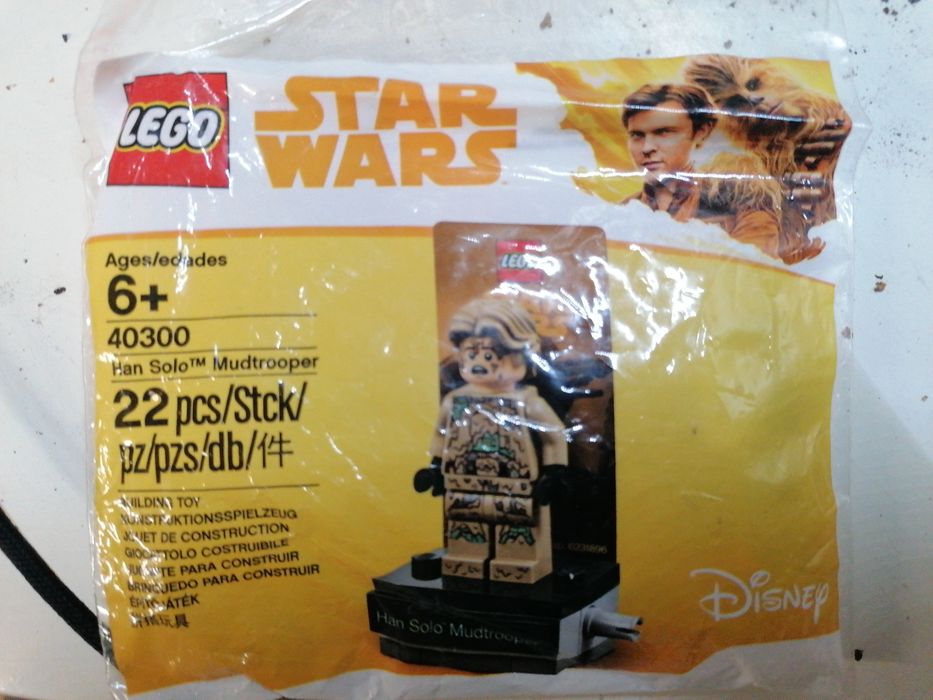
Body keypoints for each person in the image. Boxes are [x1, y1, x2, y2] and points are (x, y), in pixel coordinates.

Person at [621, 83, 785, 260]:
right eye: (637, 135)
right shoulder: (620, 213)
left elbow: (755, 266)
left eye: (663, 132)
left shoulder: (739, 197)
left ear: (701, 132)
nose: (647, 148)